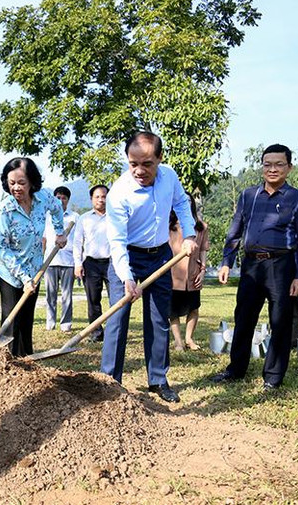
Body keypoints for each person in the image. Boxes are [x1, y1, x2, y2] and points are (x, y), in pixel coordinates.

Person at [102, 132, 197, 403]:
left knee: (158, 319)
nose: (139, 171)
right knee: (117, 321)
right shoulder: (119, 193)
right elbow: (116, 241)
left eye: (147, 164)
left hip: (160, 257)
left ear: (159, 158)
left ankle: (158, 379)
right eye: (133, 164)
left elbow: (181, 202)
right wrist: (126, 278)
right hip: (128, 257)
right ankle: (109, 381)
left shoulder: (169, 176)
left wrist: (189, 235)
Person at [212, 143, 298, 391]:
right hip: (251, 266)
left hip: (281, 266)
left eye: (279, 164)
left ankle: (273, 377)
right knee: (243, 317)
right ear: (262, 167)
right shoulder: (248, 195)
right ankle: (236, 369)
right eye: (267, 164)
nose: (273, 169)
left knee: (280, 321)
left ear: (289, 167)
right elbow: (235, 232)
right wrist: (227, 262)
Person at [0, 157, 66, 357]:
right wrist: (24, 279)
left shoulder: (44, 198)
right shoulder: (4, 211)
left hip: (35, 267)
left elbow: (57, 208)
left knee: (26, 316)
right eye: (12, 183)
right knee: (11, 316)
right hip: (8, 270)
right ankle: (6, 361)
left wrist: (60, 233)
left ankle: (26, 359)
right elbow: (2, 249)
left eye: (21, 183)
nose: (16, 187)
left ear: (32, 182)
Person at [168, 196, 209, 351]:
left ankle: (189, 339)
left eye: (188, 201)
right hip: (173, 274)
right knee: (173, 310)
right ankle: (178, 341)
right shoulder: (168, 226)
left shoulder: (201, 227)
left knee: (193, 307)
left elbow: (204, 250)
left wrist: (202, 271)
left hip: (193, 273)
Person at [72, 184, 110, 342]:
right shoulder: (84, 218)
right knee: (93, 300)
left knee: (117, 299)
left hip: (112, 263)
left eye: (104, 196)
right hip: (91, 264)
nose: (101, 199)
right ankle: (96, 333)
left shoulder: (116, 217)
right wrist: (78, 263)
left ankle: (115, 332)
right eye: (97, 197)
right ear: (91, 199)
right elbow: (77, 242)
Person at [42, 186, 77, 332]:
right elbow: (43, 239)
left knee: (67, 294)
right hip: (50, 261)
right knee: (50, 294)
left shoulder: (74, 217)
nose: (61, 200)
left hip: (68, 261)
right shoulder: (47, 217)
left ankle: (66, 323)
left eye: (64, 198)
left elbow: (79, 240)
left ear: (68, 200)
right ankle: (50, 321)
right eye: (58, 198)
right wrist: (42, 260)